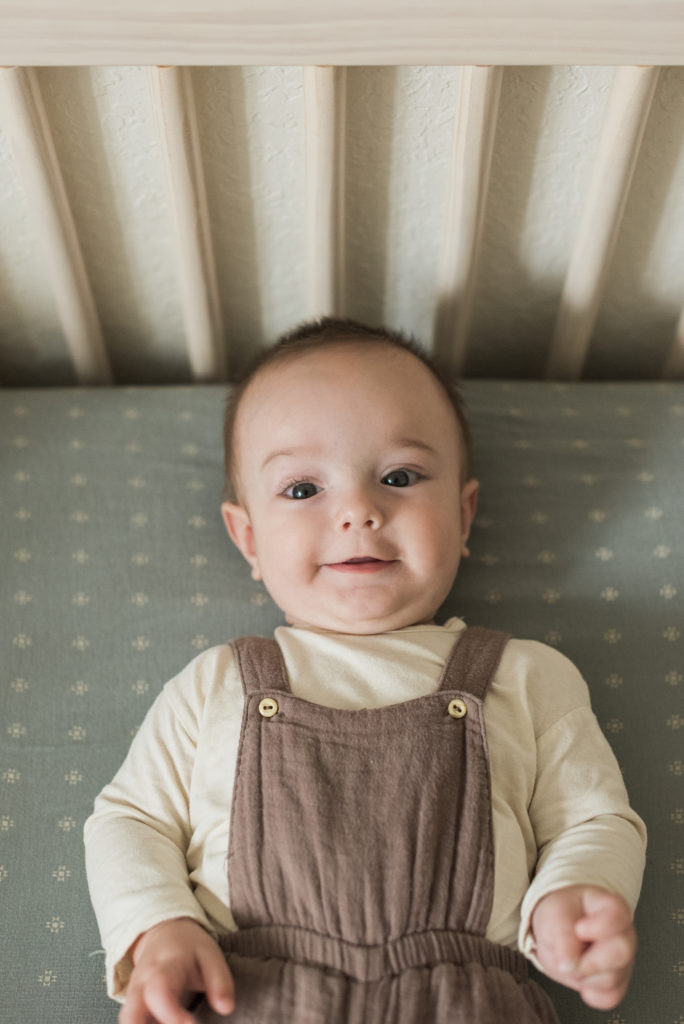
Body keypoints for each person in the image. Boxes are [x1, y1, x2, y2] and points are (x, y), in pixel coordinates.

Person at [84, 317, 647, 1024]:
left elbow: (594, 819)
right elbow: (130, 819)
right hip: (248, 993)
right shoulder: (214, 684)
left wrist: (574, 900)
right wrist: (160, 928)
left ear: (464, 516)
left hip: (469, 1000)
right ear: (247, 537)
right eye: (300, 490)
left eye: (399, 476)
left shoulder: (527, 675)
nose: (358, 510)